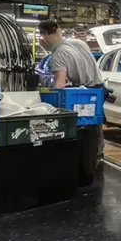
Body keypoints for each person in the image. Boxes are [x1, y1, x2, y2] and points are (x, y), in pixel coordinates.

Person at [38, 19, 105, 173]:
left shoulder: (58, 54)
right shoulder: (79, 43)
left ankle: (78, 162)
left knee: (79, 129)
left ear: (44, 37)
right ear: (59, 31)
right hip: (98, 90)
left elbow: (60, 84)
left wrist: (46, 103)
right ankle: (97, 156)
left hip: (80, 94)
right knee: (94, 125)